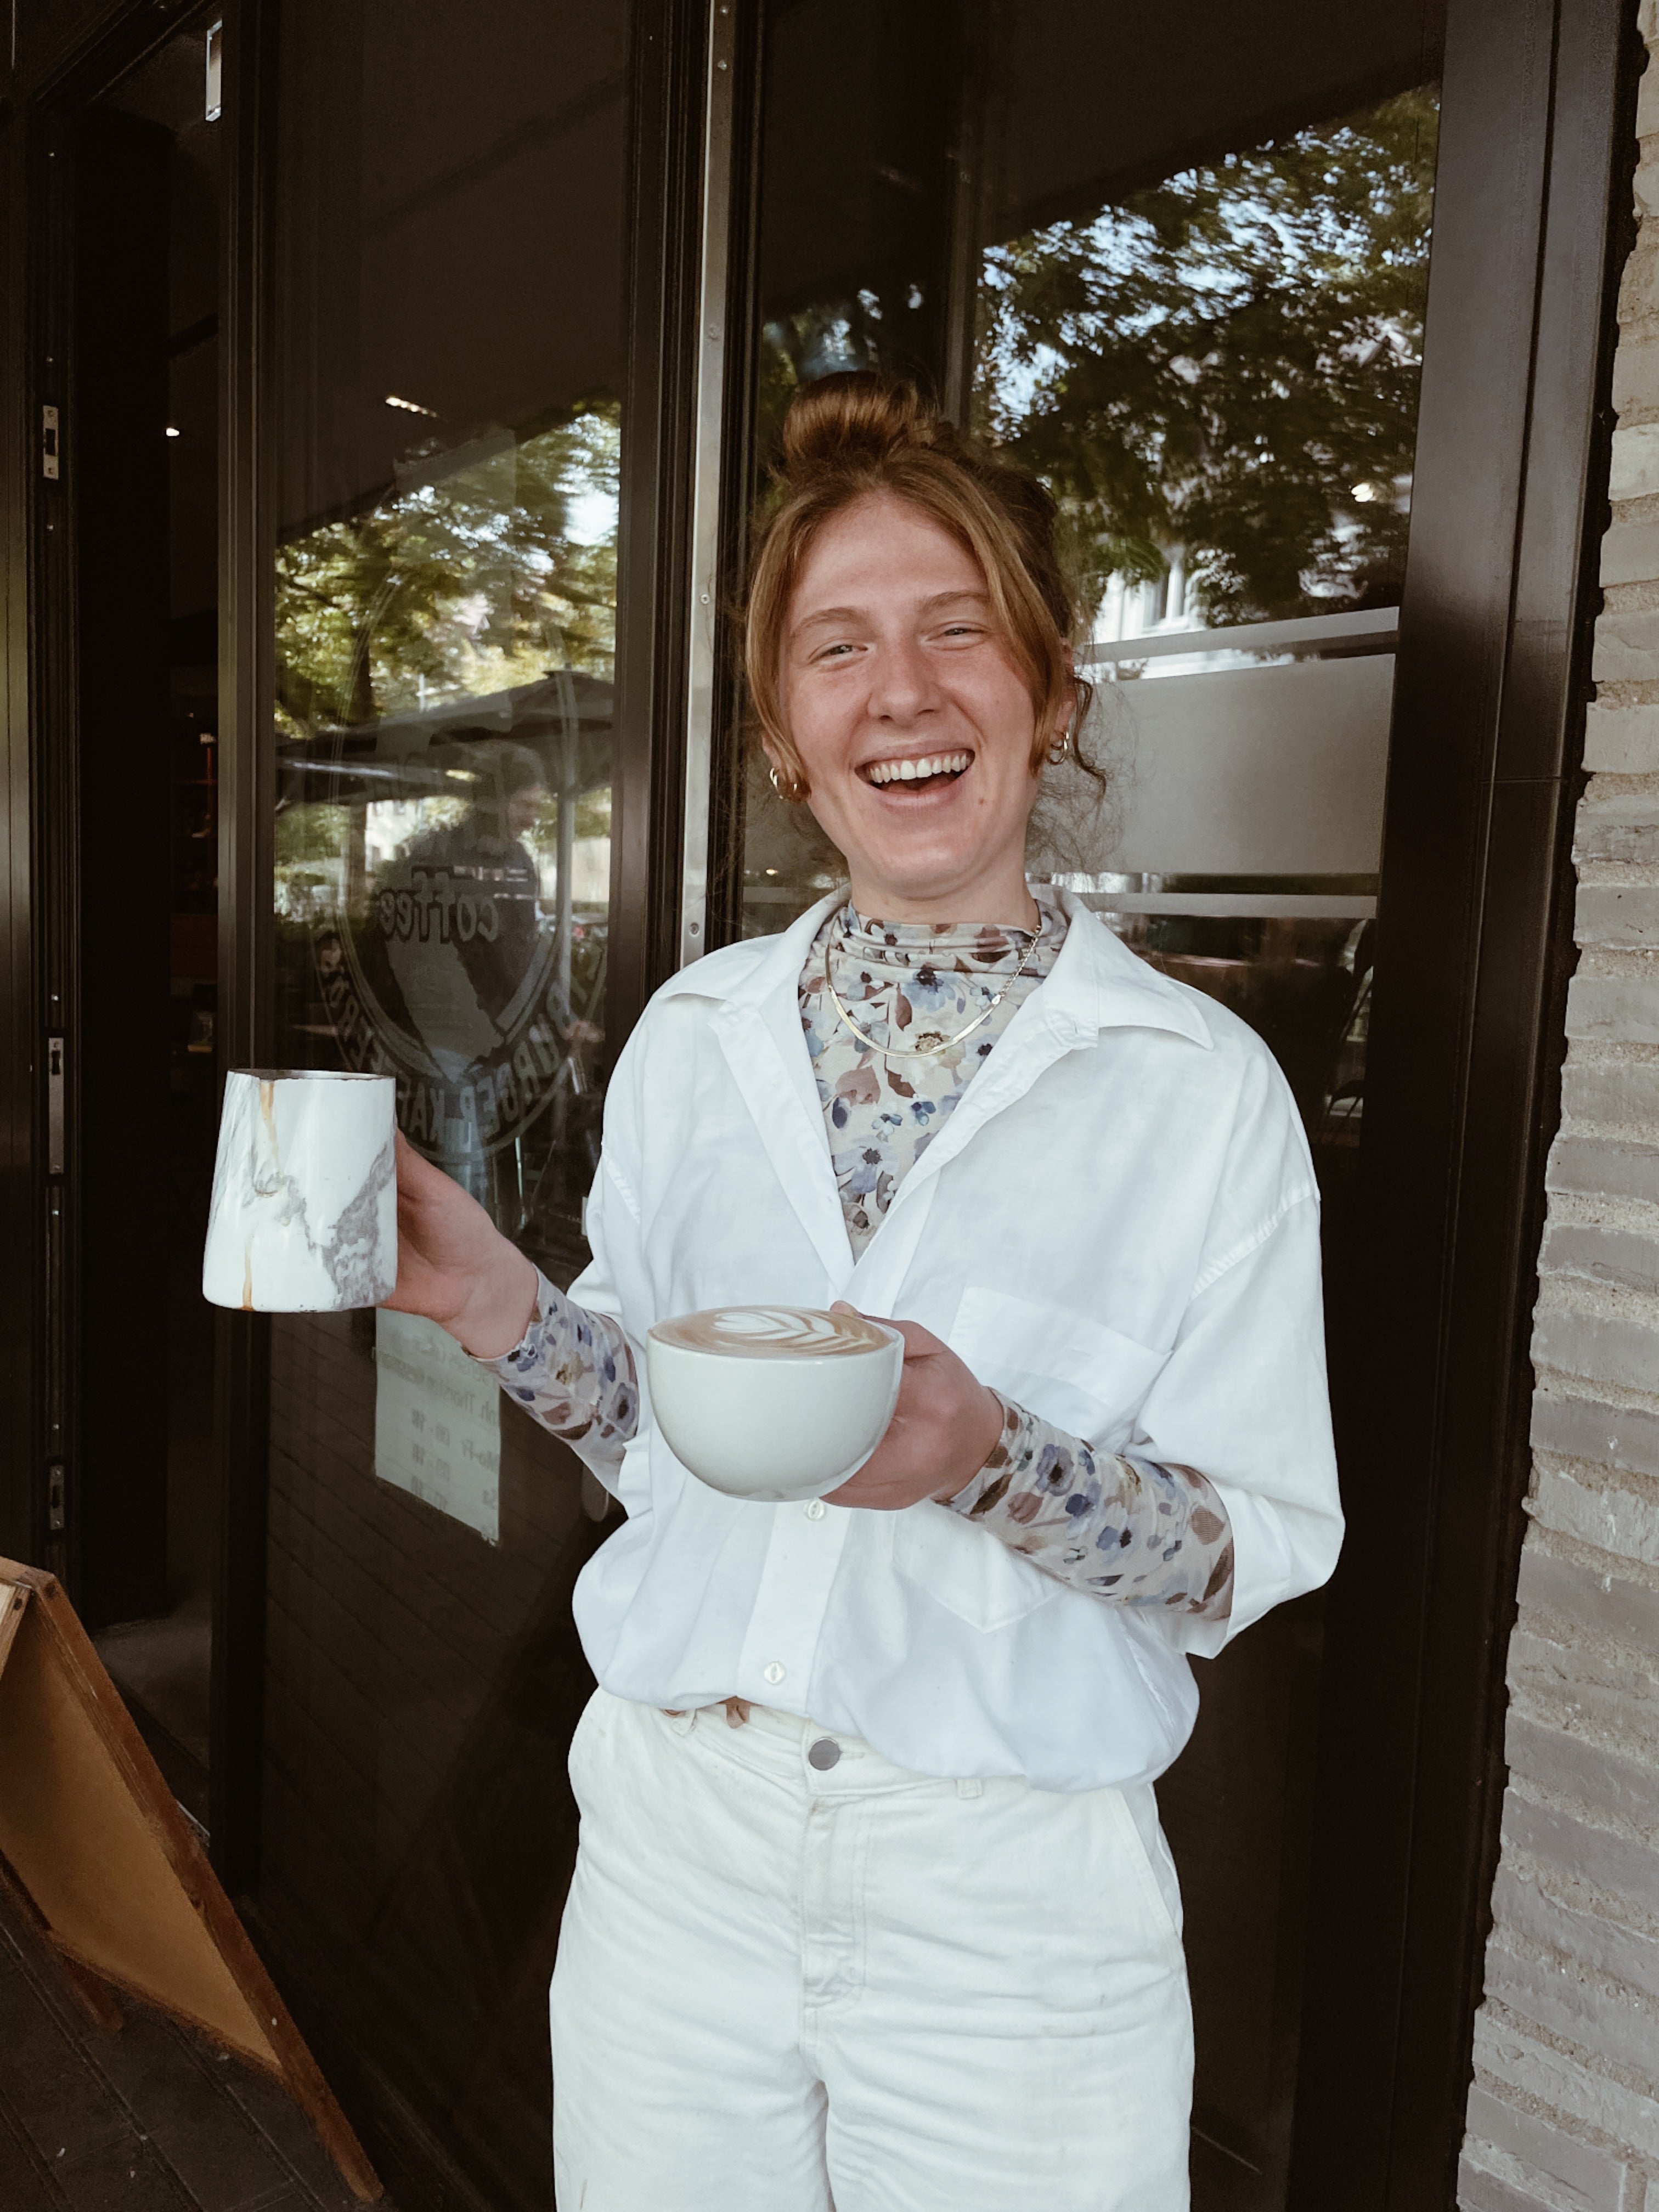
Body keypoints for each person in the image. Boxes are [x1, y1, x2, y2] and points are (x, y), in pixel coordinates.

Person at [385, 373, 1342, 2211]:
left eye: (956, 630)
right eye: (838, 648)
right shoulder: (696, 1036)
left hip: (1009, 1908)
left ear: (1052, 691)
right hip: (678, 1847)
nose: (901, 690)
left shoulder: (1198, 1088)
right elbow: (662, 1451)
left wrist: (994, 1462)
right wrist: (498, 1303)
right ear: (785, 735)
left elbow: (1251, 1553)